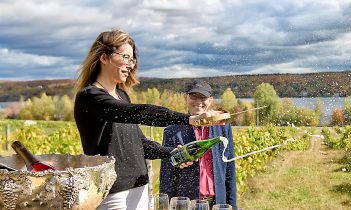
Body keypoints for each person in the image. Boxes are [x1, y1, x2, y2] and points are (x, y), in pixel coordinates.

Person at [74, 29, 221, 210]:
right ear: (104, 57)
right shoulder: (90, 97)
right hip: (112, 194)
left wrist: (172, 153)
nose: (130, 65)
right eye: (125, 57)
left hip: (141, 189)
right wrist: (189, 119)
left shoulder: (121, 95)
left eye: (132, 59)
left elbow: (140, 144)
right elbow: (138, 113)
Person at [160, 80, 237, 210]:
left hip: (217, 203)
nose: (198, 102)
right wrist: (164, 205)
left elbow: (230, 169)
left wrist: (232, 206)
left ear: (210, 100)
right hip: (185, 203)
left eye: (203, 97)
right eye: (193, 96)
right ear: (186, 97)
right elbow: (167, 175)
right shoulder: (172, 131)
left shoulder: (222, 127)